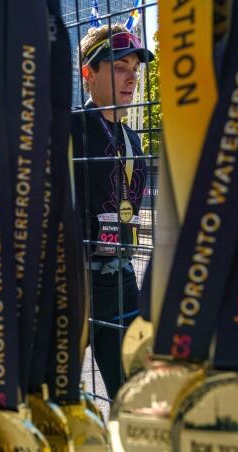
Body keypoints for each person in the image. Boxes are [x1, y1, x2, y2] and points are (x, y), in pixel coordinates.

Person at [72, 23, 153, 401]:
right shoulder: (69, 129)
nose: (131, 78)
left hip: (121, 281)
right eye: (120, 67)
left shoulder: (132, 138)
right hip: (73, 285)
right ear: (89, 74)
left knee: (133, 397)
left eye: (135, 70)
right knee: (59, 402)